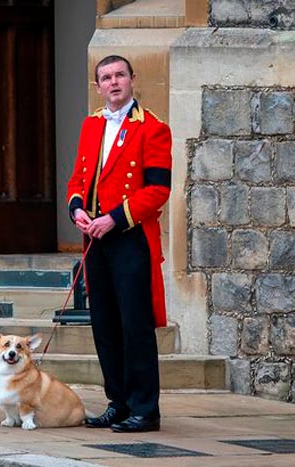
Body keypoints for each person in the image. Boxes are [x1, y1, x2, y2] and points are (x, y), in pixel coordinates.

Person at [66, 55, 171, 433]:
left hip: (129, 237)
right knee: (104, 324)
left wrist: (114, 218)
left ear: (132, 80)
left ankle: (146, 408)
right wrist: (77, 209)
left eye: (120, 76)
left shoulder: (153, 128)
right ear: (97, 86)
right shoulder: (92, 124)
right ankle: (119, 401)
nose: (113, 83)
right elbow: (78, 177)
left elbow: (159, 189)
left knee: (134, 325)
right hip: (96, 237)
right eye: (106, 78)